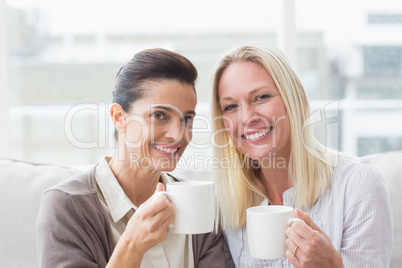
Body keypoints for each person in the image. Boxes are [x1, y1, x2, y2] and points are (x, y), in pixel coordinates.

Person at [36, 48, 232, 268]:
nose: (178, 134)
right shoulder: (69, 206)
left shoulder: (199, 203)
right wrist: (132, 246)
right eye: (159, 115)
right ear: (119, 118)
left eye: (187, 119)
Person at [211, 43, 393, 267]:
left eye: (261, 97)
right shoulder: (228, 202)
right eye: (230, 107)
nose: (247, 117)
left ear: (294, 99)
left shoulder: (358, 185)